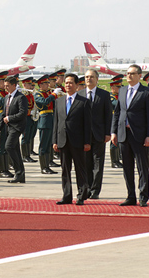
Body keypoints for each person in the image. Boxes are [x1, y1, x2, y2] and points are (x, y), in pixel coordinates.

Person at [111, 64, 149, 207]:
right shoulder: (122, 90)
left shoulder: (146, 92)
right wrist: (113, 132)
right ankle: (130, 196)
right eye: (127, 73)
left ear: (139, 76)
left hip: (140, 135)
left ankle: (143, 196)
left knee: (142, 167)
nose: (129, 76)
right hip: (124, 134)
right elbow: (117, 113)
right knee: (127, 167)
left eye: (132, 73)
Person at [53, 73, 91, 205]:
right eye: (66, 83)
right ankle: (66, 195)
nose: (68, 85)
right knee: (65, 169)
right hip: (63, 140)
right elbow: (56, 123)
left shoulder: (84, 102)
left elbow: (87, 124)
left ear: (76, 85)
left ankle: (81, 195)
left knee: (80, 169)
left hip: (78, 141)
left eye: (71, 83)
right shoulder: (59, 101)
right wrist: (55, 140)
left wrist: (87, 142)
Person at [78, 68, 112, 199]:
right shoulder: (79, 94)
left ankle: (95, 190)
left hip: (99, 134)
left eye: (91, 77)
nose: (88, 79)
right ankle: (86, 188)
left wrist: (108, 133)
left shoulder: (103, 95)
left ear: (97, 79)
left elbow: (108, 115)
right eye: (86, 77)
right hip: (83, 136)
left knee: (97, 163)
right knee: (85, 163)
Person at [0, 76, 29, 183]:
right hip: (8, 128)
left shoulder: (21, 97)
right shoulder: (6, 97)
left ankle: (17, 172)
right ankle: (20, 175)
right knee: (16, 150)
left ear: (14, 85)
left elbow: (22, 113)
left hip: (17, 127)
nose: (6, 88)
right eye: (4, 86)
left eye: (8, 86)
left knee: (8, 147)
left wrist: (9, 118)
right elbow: (3, 114)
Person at [34, 74, 61, 174]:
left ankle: (48, 164)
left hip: (51, 120)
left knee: (50, 144)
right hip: (44, 122)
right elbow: (44, 102)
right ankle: (43, 167)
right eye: (46, 83)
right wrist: (53, 95)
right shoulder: (38, 94)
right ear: (40, 85)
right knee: (43, 146)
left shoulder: (48, 93)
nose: (48, 85)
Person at [20, 77, 37, 163]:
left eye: (31, 84)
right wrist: (29, 112)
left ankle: (28, 154)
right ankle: (24, 156)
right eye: (29, 84)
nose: (31, 86)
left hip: (31, 118)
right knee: (25, 137)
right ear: (24, 85)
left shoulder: (30, 94)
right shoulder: (23, 95)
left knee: (30, 136)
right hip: (25, 118)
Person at [109, 74, 124, 168]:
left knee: (118, 141)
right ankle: (114, 161)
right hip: (113, 121)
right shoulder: (110, 97)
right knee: (114, 142)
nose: (120, 88)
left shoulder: (119, 96)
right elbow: (116, 104)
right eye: (118, 87)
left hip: (120, 120)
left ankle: (117, 159)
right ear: (113, 87)